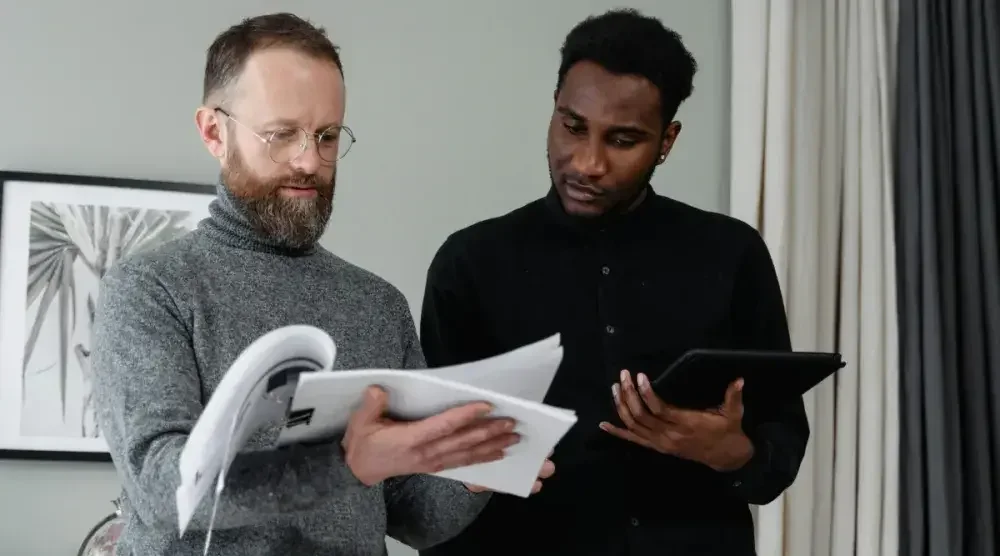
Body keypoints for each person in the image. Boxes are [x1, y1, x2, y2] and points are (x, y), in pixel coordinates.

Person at [91, 12, 552, 556]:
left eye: (327, 135)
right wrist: (342, 466)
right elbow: (164, 490)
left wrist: (476, 475)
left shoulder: (377, 305)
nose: (309, 160)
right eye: (282, 134)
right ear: (214, 132)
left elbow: (413, 516)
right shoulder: (150, 289)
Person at [418, 8, 809, 556]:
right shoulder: (470, 264)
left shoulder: (732, 254)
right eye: (572, 126)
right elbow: (434, 478)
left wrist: (730, 452)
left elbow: (780, 450)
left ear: (667, 141)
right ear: (554, 110)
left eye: (623, 140)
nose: (587, 162)